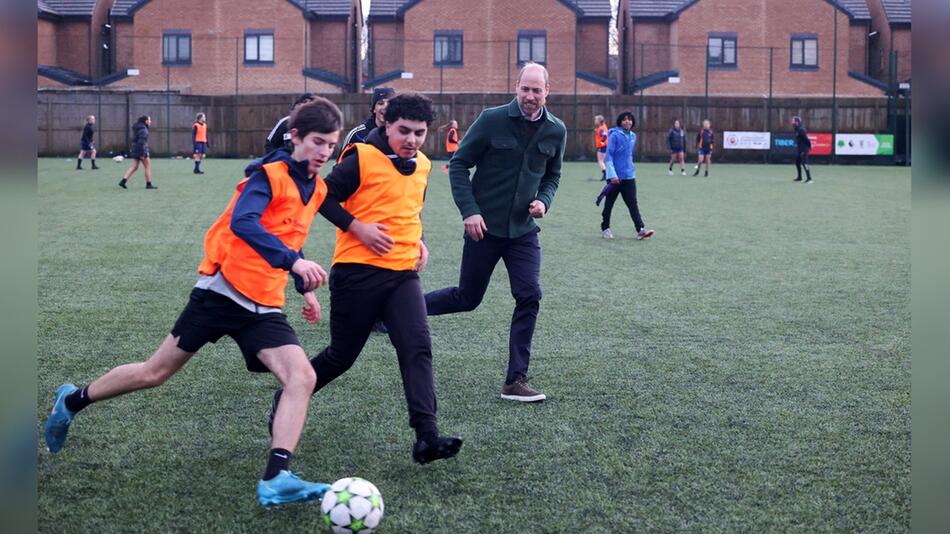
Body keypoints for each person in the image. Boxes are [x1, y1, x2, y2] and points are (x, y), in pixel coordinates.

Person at [44, 98, 389, 507]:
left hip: (263, 306)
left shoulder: (316, 189)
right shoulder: (268, 175)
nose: (323, 152)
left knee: (302, 377)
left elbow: (290, 237)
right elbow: (245, 223)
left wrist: (304, 286)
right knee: (154, 373)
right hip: (221, 293)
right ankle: (71, 399)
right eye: (317, 142)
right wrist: (295, 263)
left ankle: (276, 476)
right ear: (295, 137)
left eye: (330, 145)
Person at [267, 93, 464, 464]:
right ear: (385, 125)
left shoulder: (421, 164)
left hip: (403, 274)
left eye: (419, 133)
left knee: (417, 346)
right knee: (342, 356)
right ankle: (287, 395)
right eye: (403, 131)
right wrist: (358, 228)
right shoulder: (361, 157)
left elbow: (407, 207)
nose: (412, 140)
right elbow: (322, 198)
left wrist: (419, 240)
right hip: (356, 273)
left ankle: (427, 437)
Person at [424, 63, 565, 403]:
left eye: (537, 90)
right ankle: (397, 310)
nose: (530, 96)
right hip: (483, 230)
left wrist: (544, 202)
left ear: (548, 91)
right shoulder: (491, 119)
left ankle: (515, 380)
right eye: (525, 89)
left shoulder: (556, 130)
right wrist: (470, 211)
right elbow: (458, 164)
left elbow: (552, 176)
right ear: (516, 88)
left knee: (529, 295)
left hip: (523, 232)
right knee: (467, 298)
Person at [600, 111, 654, 241]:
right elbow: (609, 156)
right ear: (620, 121)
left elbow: (628, 155)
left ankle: (640, 230)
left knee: (632, 204)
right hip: (614, 178)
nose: (627, 122)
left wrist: (631, 170)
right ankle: (605, 228)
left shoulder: (633, 136)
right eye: (624, 119)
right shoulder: (614, 135)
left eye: (629, 119)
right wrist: (612, 175)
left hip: (629, 177)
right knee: (609, 204)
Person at [339, 87, 395, 153]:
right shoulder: (356, 135)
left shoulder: (400, 134)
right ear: (374, 109)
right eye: (380, 103)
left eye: (389, 104)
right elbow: (342, 162)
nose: (385, 107)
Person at [119, 115, 156, 189]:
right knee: (147, 166)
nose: (150, 121)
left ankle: (123, 181)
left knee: (135, 167)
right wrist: (142, 153)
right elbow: (141, 142)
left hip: (135, 148)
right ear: (146, 121)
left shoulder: (138, 128)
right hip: (141, 149)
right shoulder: (144, 130)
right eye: (149, 120)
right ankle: (148, 184)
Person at [792, 116, 813, 183]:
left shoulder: (801, 129)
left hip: (804, 149)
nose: (792, 122)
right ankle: (799, 177)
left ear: (797, 122)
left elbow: (806, 139)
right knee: (797, 162)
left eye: (793, 120)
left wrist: (809, 146)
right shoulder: (796, 128)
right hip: (800, 149)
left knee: (804, 163)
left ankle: (809, 179)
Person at [593, 115, 608, 180]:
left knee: (600, 161)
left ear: (599, 121)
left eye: (596, 120)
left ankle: (605, 174)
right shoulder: (603, 126)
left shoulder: (601, 128)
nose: (595, 121)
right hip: (605, 146)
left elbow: (604, 136)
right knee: (603, 161)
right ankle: (606, 174)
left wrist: (602, 143)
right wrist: (597, 131)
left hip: (602, 146)